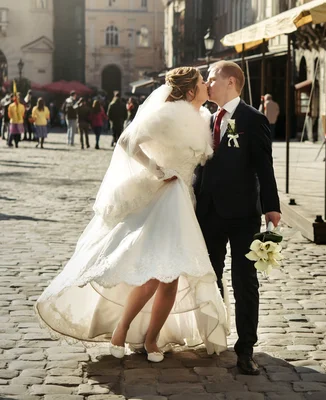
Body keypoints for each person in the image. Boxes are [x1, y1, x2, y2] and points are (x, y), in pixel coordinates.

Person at [35, 67, 229, 363]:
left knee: (172, 278)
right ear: (190, 91)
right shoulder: (168, 114)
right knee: (153, 275)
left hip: (184, 203)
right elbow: (127, 141)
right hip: (164, 199)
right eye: (203, 83)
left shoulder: (203, 118)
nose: (206, 86)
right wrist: (156, 169)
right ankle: (121, 330)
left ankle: (151, 339)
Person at [194, 61, 281, 375]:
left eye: (212, 78)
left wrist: (272, 206)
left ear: (231, 81)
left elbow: (264, 166)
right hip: (209, 211)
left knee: (244, 281)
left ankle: (246, 349)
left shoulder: (252, 119)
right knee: (210, 275)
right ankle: (215, 332)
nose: (207, 83)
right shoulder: (206, 118)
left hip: (244, 213)